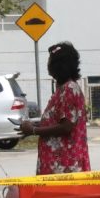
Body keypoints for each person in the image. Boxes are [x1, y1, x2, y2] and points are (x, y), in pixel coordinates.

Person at [20, 41, 90, 175]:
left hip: (65, 166)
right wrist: (32, 126)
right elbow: (55, 121)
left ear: (59, 65)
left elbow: (66, 126)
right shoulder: (62, 90)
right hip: (56, 164)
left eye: (50, 61)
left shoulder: (69, 89)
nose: (48, 65)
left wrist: (34, 130)